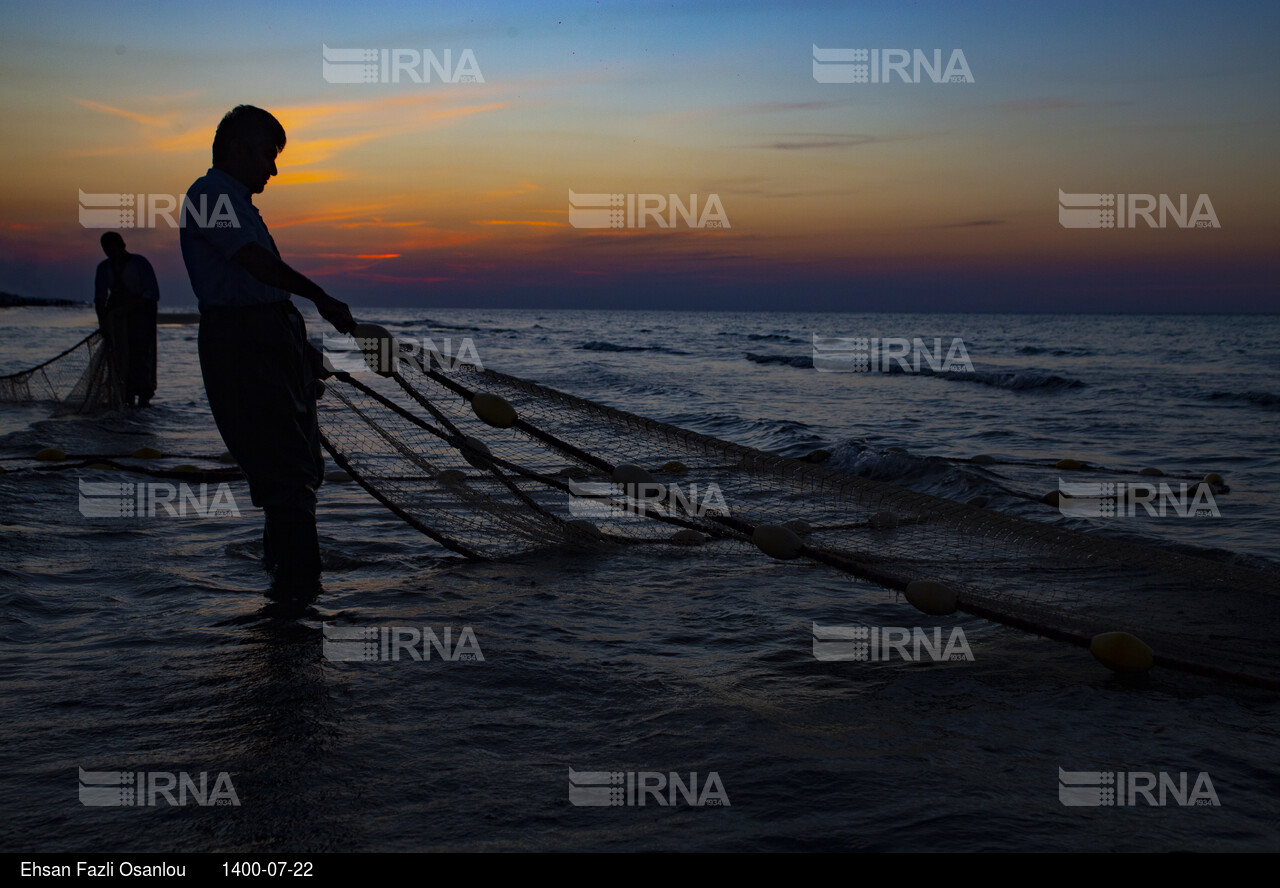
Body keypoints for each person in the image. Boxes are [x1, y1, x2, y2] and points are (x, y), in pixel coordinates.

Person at [179, 105, 355, 597]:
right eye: (267, 155)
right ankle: (298, 598)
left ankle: (286, 588)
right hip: (242, 343)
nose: (273, 169)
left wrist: (301, 352)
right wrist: (319, 295)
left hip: (268, 339)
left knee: (297, 469)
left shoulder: (238, 202)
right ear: (235, 149)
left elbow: (261, 284)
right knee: (285, 472)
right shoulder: (208, 194)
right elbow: (253, 264)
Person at [94, 232, 158, 407]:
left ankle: (144, 401)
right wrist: (103, 322)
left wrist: (126, 309)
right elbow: (99, 298)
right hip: (117, 322)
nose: (111, 255)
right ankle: (126, 399)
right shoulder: (104, 268)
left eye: (114, 250)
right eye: (107, 251)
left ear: (123, 246)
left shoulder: (140, 264)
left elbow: (152, 294)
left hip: (141, 318)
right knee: (120, 360)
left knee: (142, 357)